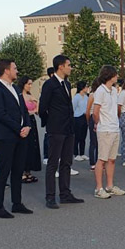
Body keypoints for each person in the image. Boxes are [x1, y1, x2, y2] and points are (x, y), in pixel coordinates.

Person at [38, 55, 84, 209]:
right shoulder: (50, 84)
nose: (71, 68)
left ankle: (65, 194)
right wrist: (50, 122)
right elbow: (42, 108)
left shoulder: (67, 84)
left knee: (66, 162)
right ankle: (50, 196)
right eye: (68, 65)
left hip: (68, 128)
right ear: (61, 66)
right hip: (56, 129)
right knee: (53, 163)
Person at [0, 59, 33, 218]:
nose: (17, 71)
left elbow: (24, 111)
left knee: (18, 170)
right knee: (4, 171)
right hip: (6, 136)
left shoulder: (15, 88)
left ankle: (17, 203)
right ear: (6, 70)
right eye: (15, 68)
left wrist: (27, 126)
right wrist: (19, 128)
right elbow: (1, 114)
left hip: (21, 136)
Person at [92, 65, 125, 199]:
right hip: (105, 129)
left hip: (114, 128)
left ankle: (110, 186)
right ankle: (98, 188)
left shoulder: (114, 90)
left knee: (111, 159)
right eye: (115, 74)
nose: (117, 76)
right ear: (110, 76)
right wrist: (98, 123)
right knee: (102, 159)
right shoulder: (100, 91)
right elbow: (95, 111)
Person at [19, 77, 42, 184]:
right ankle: (22, 171)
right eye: (28, 84)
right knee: (24, 146)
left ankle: (28, 170)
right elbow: (21, 111)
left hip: (32, 121)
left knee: (32, 145)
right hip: (24, 122)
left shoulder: (30, 96)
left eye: (31, 84)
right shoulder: (20, 96)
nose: (30, 86)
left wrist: (36, 104)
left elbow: (37, 110)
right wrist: (31, 111)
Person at [72, 81, 90, 164]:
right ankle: (76, 154)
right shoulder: (76, 97)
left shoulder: (86, 97)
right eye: (86, 87)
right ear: (82, 88)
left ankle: (82, 153)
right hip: (77, 117)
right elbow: (73, 108)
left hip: (85, 117)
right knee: (77, 136)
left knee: (83, 136)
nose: (87, 88)